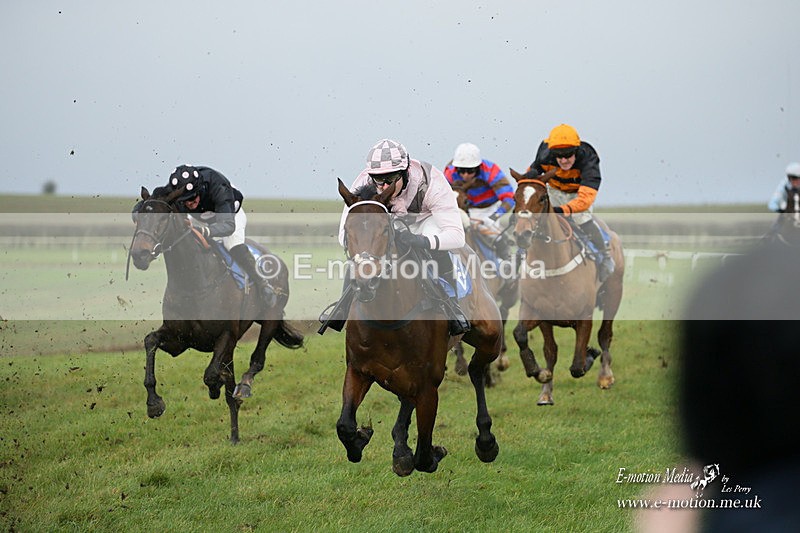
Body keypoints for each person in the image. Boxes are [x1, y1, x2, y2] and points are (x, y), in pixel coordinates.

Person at [320, 139, 470, 336]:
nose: (382, 186)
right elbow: (345, 235)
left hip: (424, 221)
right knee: (362, 252)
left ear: (405, 172)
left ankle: (452, 308)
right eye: (378, 179)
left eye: (390, 180)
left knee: (434, 243)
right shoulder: (364, 182)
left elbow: (457, 236)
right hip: (385, 225)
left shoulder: (431, 181)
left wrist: (422, 241)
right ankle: (342, 306)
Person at [152, 164, 275, 308]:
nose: (190, 203)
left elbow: (228, 226)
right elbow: (148, 204)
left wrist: (206, 231)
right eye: (185, 200)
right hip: (200, 218)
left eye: (192, 198)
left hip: (229, 215)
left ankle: (262, 284)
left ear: (200, 189)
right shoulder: (174, 188)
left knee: (232, 246)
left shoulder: (219, 187)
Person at [527, 123, 614, 283]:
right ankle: (522, 255)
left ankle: (605, 255)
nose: (564, 160)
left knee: (582, 219)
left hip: (578, 194)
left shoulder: (589, 158)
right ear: (552, 153)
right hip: (553, 190)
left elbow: (586, 198)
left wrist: (564, 210)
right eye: (559, 155)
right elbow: (530, 178)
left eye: (568, 154)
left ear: (576, 150)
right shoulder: (544, 154)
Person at [443, 142, 516, 259]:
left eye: (470, 171)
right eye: (461, 171)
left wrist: (494, 217)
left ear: (478, 167)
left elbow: (509, 198)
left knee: (489, 229)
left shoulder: (491, 171)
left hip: (489, 208)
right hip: (464, 210)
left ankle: (507, 259)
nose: (465, 175)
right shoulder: (449, 173)